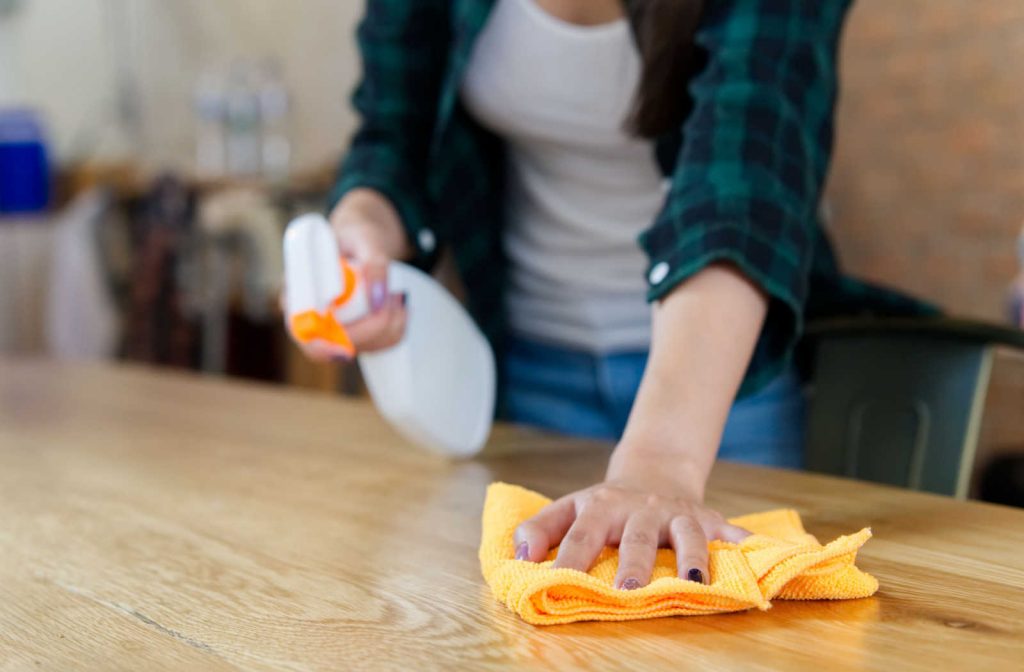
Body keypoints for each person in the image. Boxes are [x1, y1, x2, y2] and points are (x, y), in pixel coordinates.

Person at [303, 0, 934, 591]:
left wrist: (659, 462)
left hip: (717, 384)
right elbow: (391, 137)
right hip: (526, 368)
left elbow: (741, 183)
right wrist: (365, 223)